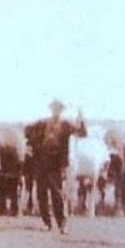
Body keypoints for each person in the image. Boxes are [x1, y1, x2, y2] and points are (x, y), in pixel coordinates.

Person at [34, 98, 87, 234]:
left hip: (56, 163)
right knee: (41, 194)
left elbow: (82, 134)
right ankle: (46, 223)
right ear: (51, 109)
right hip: (42, 161)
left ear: (61, 110)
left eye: (58, 109)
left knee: (57, 194)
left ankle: (62, 224)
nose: (55, 111)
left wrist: (82, 121)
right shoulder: (43, 123)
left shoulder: (66, 124)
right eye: (53, 108)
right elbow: (30, 133)